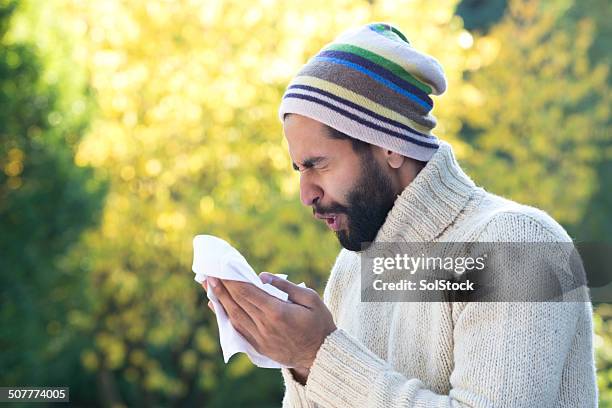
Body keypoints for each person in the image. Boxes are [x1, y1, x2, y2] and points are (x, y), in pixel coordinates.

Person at [202, 22, 597, 407]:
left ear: (390, 145)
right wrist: (294, 357)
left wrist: (316, 355)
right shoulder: (352, 269)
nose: (306, 194)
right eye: (299, 170)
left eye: (318, 164)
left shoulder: (516, 245)